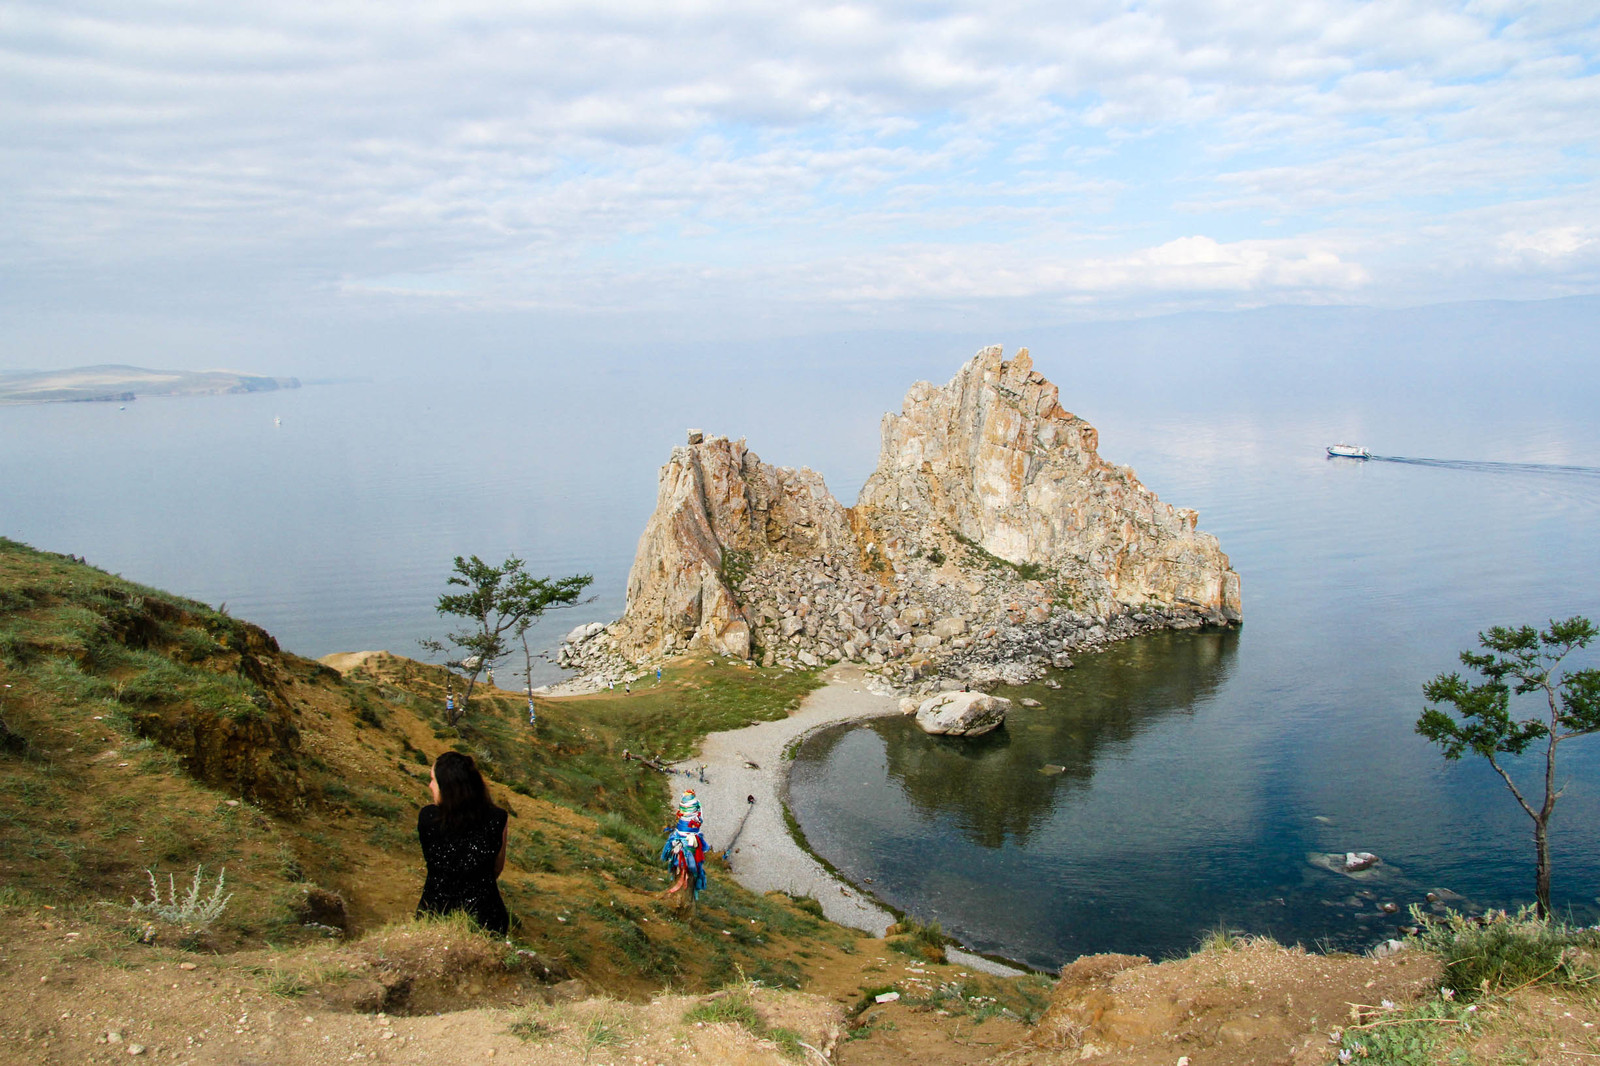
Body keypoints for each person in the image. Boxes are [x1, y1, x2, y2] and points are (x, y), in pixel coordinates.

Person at [416, 751, 510, 934]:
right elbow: (497, 868)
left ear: (448, 787)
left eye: (434, 780)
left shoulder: (428, 818)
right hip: (486, 916)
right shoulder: (497, 819)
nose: (430, 785)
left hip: (435, 912)